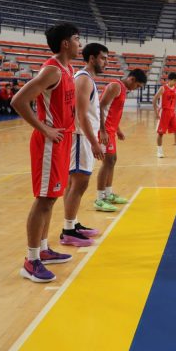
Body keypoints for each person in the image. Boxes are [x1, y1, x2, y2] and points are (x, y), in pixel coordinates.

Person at [11, 23, 80, 283]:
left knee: (51, 198)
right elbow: (18, 101)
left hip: (62, 140)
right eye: (77, 39)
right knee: (43, 200)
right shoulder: (52, 70)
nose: (80, 44)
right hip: (49, 144)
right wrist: (44, 128)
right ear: (65, 43)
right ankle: (31, 260)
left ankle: (43, 249)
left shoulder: (68, 68)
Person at [60, 43, 108, 247]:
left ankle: (73, 223)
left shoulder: (86, 79)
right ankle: (68, 231)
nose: (105, 62)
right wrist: (94, 142)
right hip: (81, 137)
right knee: (79, 183)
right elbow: (81, 115)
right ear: (92, 58)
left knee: (75, 184)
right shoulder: (84, 79)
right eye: (103, 58)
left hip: (83, 137)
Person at [95, 68, 148, 211]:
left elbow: (113, 111)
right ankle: (99, 199)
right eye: (137, 86)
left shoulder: (123, 89)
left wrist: (117, 129)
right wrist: (103, 130)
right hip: (104, 130)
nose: (136, 89)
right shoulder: (115, 86)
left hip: (111, 130)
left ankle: (108, 194)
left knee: (112, 160)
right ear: (132, 79)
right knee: (107, 162)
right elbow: (100, 107)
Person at [154, 72, 176, 158]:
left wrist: (174, 109)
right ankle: (159, 152)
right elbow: (154, 99)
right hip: (164, 112)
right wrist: (156, 113)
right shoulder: (163, 88)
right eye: (174, 80)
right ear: (169, 80)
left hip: (172, 113)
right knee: (160, 133)